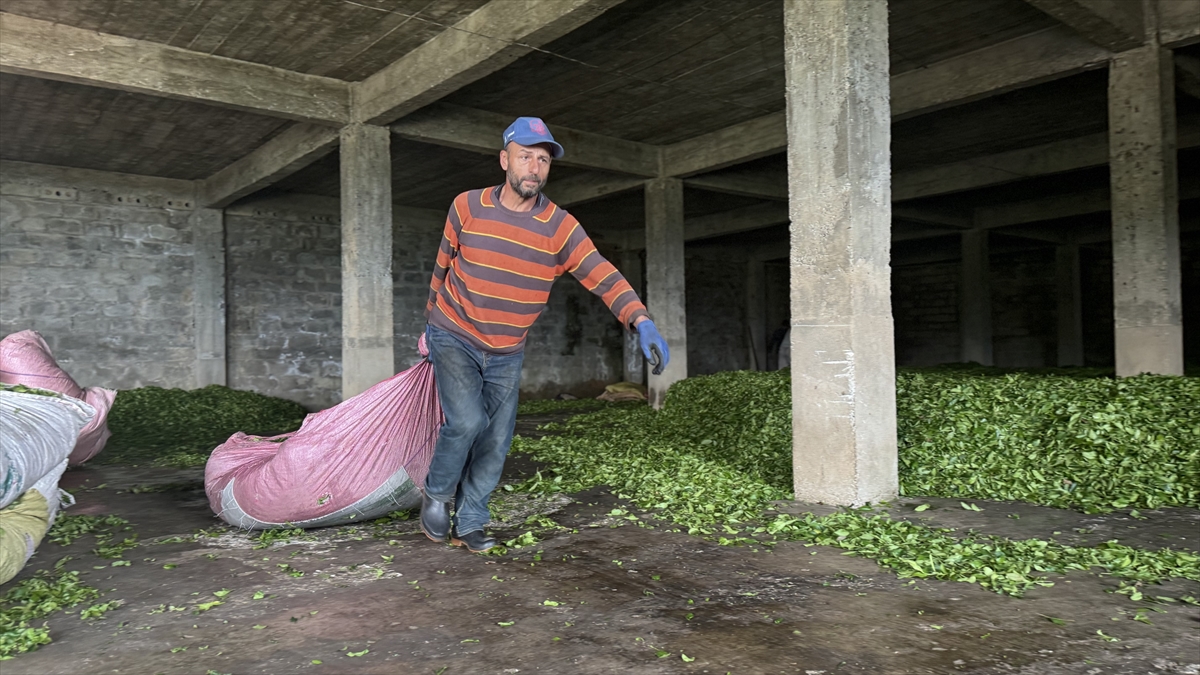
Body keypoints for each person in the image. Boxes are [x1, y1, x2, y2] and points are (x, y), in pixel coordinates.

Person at [419, 116, 670, 553]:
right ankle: (438, 494)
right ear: (505, 160)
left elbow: (601, 273)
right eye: (525, 157)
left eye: (542, 160)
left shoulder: (561, 227)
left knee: (497, 437)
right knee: (468, 421)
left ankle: (472, 518)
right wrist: (428, 324)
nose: (534, 168)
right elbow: (442, 265)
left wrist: (640, 318)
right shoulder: (466, 206)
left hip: (507, 349)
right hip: (454, 332)